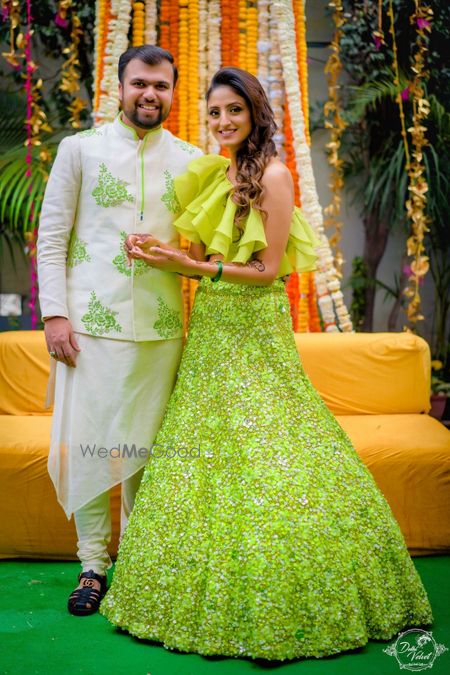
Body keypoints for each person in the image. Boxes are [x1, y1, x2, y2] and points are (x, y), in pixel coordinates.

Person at [99, 68, 433, 660]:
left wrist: (196, 269)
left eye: (234, 111)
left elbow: (266, 270)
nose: (223, 122)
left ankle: (298, 593)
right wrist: (162, 255)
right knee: (205, 450)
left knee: (273, 445)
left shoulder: (273, 176)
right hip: (209, 331)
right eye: (214, 113)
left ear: (255, 114)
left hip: (255, 329)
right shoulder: (212, 174)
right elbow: (198, 258)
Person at [36, 45, 202, 616]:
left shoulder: (193, 160)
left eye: (160, 85)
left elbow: (201, 252)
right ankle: (91, 566)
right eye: (140, 84)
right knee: (91, 446)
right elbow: (53, 234)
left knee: (145, 450)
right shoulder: (79, 149)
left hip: (161, 329)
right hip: (88, 327)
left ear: (173, 90)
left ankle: (134, 563)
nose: (149, 94)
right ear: (120, 86)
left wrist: (172, 253)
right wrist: (55, 314)